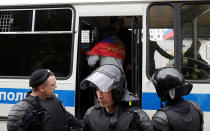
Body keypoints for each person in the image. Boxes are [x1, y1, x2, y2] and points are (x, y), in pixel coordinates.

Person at [80, 64, 153, 131]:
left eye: (105, 90)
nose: (100, 95)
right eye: (97, 89)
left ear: (117, 91)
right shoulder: (91, 114)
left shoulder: (136, 117)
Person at [7, 69, 84, 131]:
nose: (56, 87)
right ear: (41, 88)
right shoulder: (21, 110)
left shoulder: (54, 100)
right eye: (52, 85)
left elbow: (69, 118)